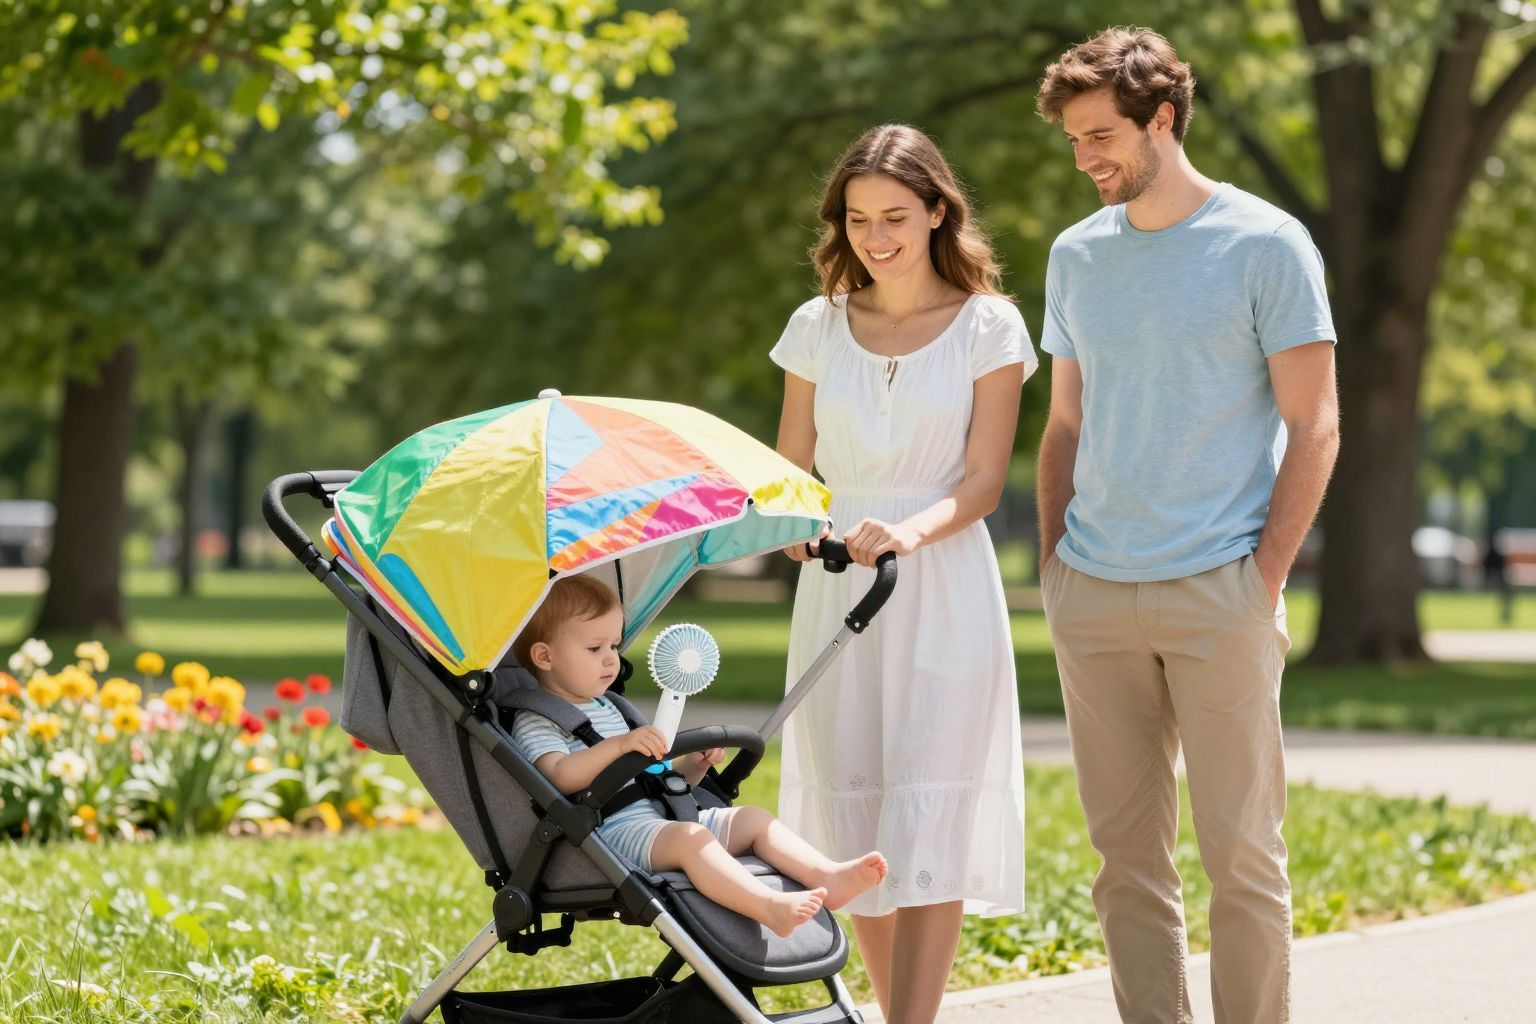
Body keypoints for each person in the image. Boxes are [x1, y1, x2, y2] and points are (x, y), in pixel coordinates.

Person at [1034, 27, 1340, 1024]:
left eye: (1100, 136)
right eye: (1075, 142)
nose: (1086, 159)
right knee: (1124, 866)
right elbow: (1065, 424)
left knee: (1243, 859)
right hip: (1094, 592)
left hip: (1219, 593)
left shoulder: (1266, 243)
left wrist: (1263, 578)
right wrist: (1054, 568)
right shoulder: (1077, 257)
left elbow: (1316, 423)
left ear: (1162, 119)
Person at [771, 124, 1034, 1024]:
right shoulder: (814, 327)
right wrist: (801, 529)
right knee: (852, 821)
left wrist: (907, 534)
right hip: (837, 588)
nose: (874, 237)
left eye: (893, 216)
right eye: (856, 219)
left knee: (929, 809)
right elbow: (792, 471)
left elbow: (984, 481)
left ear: (935, 212)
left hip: (941, 585)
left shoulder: (989, 325)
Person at [508, 574, 888, 938]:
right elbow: (557, 776)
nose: (611, 660)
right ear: (545, 656)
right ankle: (769, 907)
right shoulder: (538, 719)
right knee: (690, 838)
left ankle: (828, 876)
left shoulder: (611, 708)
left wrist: (691, 768)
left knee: (752, 818)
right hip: (614, 833)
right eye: (595, 649)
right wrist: (620, 746)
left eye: (613, 646)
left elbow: (650, 778)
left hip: (662, 817)